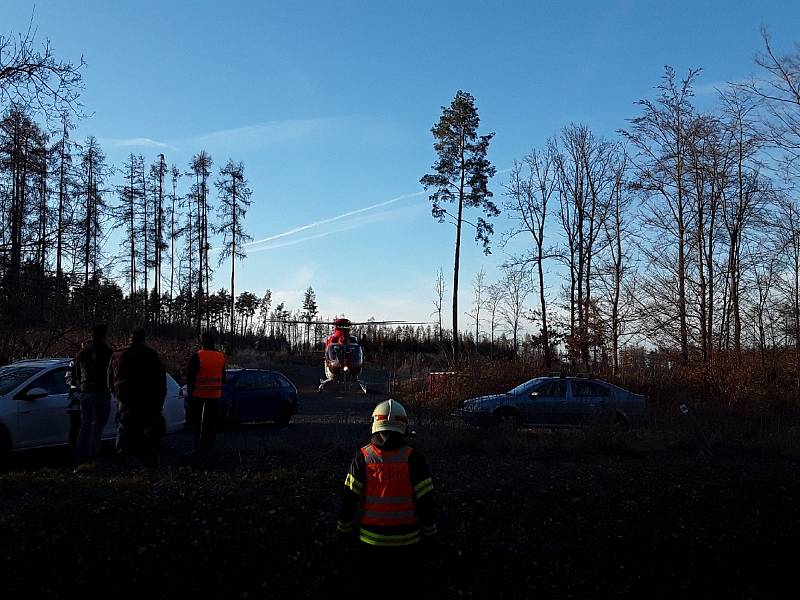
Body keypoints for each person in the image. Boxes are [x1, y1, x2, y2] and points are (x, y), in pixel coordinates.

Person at [336, 399, 437, 590]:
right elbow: (426, 503)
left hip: (370, 543)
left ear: (375, 423)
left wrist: (343, 532)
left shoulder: (363, 457)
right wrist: (431, 535)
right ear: (403, 425)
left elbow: (349, 499)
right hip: (409, 543)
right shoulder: (414, 458)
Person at [107, 329, 167, 467]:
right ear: (143, 339)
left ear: (130, 339)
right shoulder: (151, 355)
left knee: (124, 429)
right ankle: (146, 460)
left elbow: (110, 377)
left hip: (125, 398)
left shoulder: (118, 355)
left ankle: (123, 458)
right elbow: (160, 379)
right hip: (146, 399)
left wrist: (115, 393)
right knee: (146, 431)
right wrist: (159, 400)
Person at [71, 323, 114, 470]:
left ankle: (79, 457)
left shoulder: (83, 352)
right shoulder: (108, 352)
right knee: (97, 428)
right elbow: (112, 374)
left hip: (85, 392)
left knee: (85, 426)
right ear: (104, 334)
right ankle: (92, 458)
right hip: (101, 392)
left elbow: (75, 373)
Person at [185, 331, 226, 452]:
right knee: (211, 423)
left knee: (197, 423)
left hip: (198, 394)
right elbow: (223, 377)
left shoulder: (197, 356)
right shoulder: (220, 357)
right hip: (214, 395)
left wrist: (191, 392)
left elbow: (190, 376)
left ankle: (198, 446)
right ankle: (209, 447)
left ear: (203, 341)